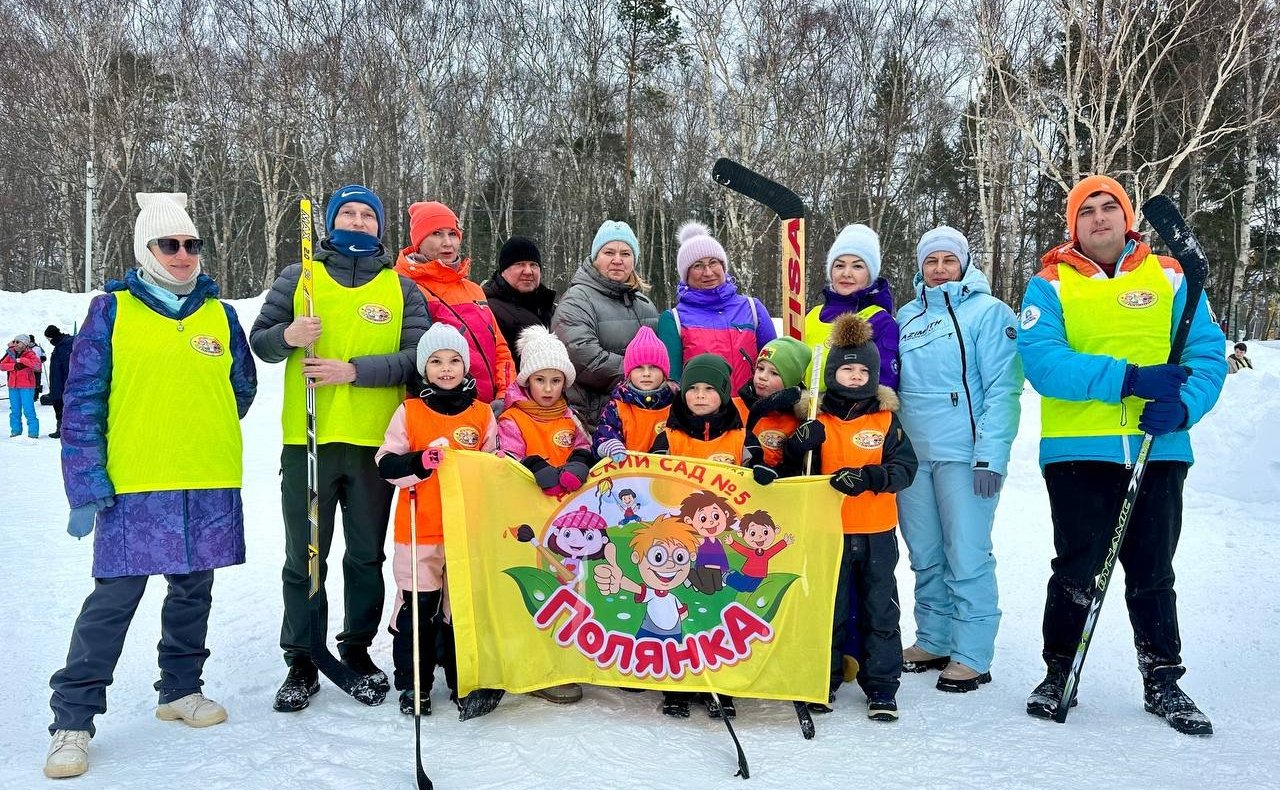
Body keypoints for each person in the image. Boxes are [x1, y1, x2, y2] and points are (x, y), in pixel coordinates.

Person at [45, 192, 256, 779]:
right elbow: (82, 401)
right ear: (147, 250)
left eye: (192, 244)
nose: (184, 254)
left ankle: (180, 691)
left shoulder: (221, 314)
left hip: (207, 479)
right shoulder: (111, 311)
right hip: (135, 485)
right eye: (171, 244)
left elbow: (240, 389)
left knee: (193, 592)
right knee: (113, 601)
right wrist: (86, 483)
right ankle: (73, 720)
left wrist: (196, 426)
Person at [1017, 175, 1226, 735]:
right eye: (1088, 211)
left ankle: (1163, 679)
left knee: (1153, 570)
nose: (1101, 218)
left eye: (1111, 207)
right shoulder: (1050, 285)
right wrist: (1129, 380)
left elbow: (1208, 354)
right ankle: (1059, 671)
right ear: (1073, 225)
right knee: (1077, 566)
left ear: (1129, 217)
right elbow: (1044, 362)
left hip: (1159, 449)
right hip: (1077, 451)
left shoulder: (1173, 276)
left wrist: (1183, 408)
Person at [250, 184, 430, 713]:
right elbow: (260, 343)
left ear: (379, 226)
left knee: (366, 554)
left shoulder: (402, 289)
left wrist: (350, 372)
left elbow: (416, 357)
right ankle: (303, 658)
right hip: (308, 442)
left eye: (366, 215)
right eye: (347, 214)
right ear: (331, 223)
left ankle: (355, 646)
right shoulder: (300, 279)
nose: (357, 221)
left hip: (376, 445)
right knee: (304, 557)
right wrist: (289, 334)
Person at [893, 226, 1022, 693]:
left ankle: (971, 653)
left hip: (965, 456)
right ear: (920, 267)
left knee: (965, 554)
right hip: (914, 457)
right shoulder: (906, 316)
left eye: (949, 260)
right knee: (925, 555)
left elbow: (1004, 389)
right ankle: (935, 638)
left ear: (965, 264)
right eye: (932, 261)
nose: (940, 269)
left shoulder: (990, 314)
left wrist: (991, 455)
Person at [783, 313, 917, 721]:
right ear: (833, 373)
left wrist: (872, 476)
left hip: (876, 529)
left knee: (881, 606)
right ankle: (822, 679)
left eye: (863, 370)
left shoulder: (885, 418)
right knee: (830, 607)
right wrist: (797, 446)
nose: (855, 376)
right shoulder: (814, 418)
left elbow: (904, 468)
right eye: (846, 368)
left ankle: (881, 685)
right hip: (828, 531)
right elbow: (795, 476)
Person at [375, 324, 501, 719]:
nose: (446, 368)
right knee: (418, 608)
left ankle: (462, 679)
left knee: (461, 608)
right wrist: (419, 462)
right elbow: (387, 465)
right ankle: (415, 684)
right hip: (420, 529)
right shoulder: (410, 412)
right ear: (423, 367)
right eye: (436, 361)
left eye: (454, 360)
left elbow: (494, 464)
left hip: (465, 531)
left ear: (465, 366)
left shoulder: (481, 414)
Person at [494, 325, 594, 707]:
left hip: (565, 527)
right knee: (531, 592)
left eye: (556, 380)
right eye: (540, 380)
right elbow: (507, 457)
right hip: (527, 525)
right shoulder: (514, 418)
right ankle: (533, 664)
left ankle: (566, 656)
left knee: (567, 589)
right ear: (527, 380)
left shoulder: (568, 417)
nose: (548, 388)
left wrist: (580, 462)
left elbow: (584, 445)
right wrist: (535, 466)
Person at [649, 354, 749, 720]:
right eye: (693, 389)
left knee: (717, 611)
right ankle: (678, 683)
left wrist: (764, 473)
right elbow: (650, 482)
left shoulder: (740, 433)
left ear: (723, 392)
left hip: (721, 544)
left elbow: (758, 479)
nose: (701, 396)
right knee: (679, 614)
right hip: (678, 546)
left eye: (710, 389)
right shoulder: (669, 434)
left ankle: (719, 684)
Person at [396, 200, 514, 405]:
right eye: (436, 234)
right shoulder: (404, 287)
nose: (448, 243)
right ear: (418, 241)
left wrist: (505, 395)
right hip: (438, 412)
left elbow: (500, 349)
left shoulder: (473, 289)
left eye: (452, 233)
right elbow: (408, 357)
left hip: (487, 411)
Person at [551, 220, 660, 433]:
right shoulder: (577, 299)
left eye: (626, 254)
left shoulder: (645, 305)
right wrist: (641, 374)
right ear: (595, 257)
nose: (617, 260)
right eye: (609, 252)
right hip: (594, 419)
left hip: (644, 416)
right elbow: (584, 357)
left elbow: (660, 357)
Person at [656, 222, 776, 391]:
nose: (708, 272)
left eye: (713, 262)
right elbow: (672, 384)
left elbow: (775, 367)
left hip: (751, 412)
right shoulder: (673, 320)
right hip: (702, 415)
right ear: (686, 274)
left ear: (723, 266)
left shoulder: (752, 309)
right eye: (698, 266)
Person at [805, 224, 899, 392]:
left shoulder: (879, 321)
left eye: (857, 266)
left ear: (870, 274)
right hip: (801, 414)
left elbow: (883, 384)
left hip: (850, 416)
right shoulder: (811, 315)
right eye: (839, 265)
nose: (846, 273)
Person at [731, 338, 811, 477]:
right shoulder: (733, 407)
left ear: (791, 381)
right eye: (760, 368)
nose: (762, 377)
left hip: (778, 492)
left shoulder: (799, 418)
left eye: (774, 373)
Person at [592, 326, 673, 462]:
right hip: (629, 477)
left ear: (664, 372)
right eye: (639, 368)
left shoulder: (676, 404)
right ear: (629, 373)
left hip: (668, 477)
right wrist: (608, 445)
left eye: (653, 367)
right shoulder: (617, 406)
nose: (646, 373)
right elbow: (604, 433)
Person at [482, 236, 558, 369]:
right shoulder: (488, 309)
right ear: (504, 270)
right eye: (520, 264)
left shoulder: (551, 308)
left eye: (533, 265)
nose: (528, 271)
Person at [2, 335, 40, 438]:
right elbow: (2, 365)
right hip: (13, 386)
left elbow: (37, 366)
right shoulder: (10, 353)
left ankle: (33, 433)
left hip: (27, 386)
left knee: (28, 410)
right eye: (14, 341)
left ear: (25, 343)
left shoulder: (30, 354)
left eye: (18, 342)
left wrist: (23, 361)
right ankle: (16, 431)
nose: (15, 343)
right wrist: (13, 366)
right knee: (15, 410)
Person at [42, 325, 73, 438]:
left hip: (63, 384)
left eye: (49, 339)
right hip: (58, 383)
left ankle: (62, 430)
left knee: (62, 407)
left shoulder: (64, 346)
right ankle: (61, 429)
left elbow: (67, 367)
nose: (49, 341)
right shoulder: (61, 345)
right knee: (59, 406)